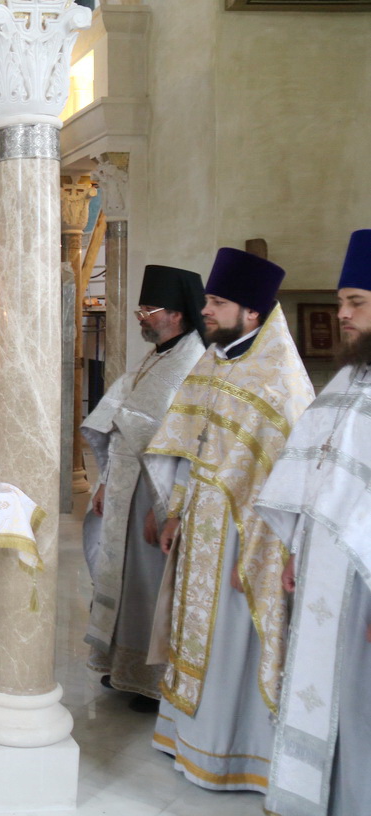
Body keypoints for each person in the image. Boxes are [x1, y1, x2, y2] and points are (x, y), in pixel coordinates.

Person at [143, 248, 314, 792]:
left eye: (219, 302)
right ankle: (185, 737)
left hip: (249, 536)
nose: (207, 310)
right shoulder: (213, 361)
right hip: (199, 526)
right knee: (195, 631)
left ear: (254, 313)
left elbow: (287, 487)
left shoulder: (279, 382)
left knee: (234, 636)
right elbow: (185, 447)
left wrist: (266, 553)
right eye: (209, 300)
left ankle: (233, 752)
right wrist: (174, 510)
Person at [257, 230, 371, 816]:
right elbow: (313, 477)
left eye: (356, 302)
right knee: (321, 694)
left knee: (357, 702)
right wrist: (298, 548)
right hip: (326, 568)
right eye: (341, 300)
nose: (341, 314)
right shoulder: (349, 380)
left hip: (363, 583)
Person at [80, 265, 207, 712]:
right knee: (128, 583)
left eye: (148, 311)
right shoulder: (159, 356)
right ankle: (127, 668)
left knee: (152, 586)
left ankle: (155, 682)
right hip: (127, 486)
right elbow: (117, 423)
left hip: (156, 492)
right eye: (140, 310)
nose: (141, 318)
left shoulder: (191, 362)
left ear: (177, 313)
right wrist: (104, 481)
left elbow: (184, 444)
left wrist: (168, 507)